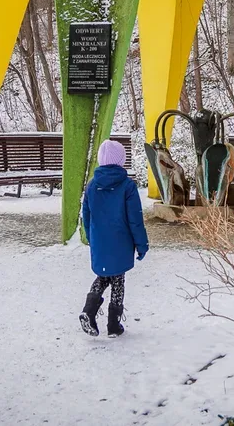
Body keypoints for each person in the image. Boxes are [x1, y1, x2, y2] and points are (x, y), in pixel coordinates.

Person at [79, 139, 149, 338]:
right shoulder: (127, 186)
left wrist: (91, 238)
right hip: (121, 241)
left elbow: (87, 216)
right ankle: (113, 324)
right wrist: (141, 244)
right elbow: (135, 219)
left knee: (103, 276)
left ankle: (89, 311)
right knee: (118, 279)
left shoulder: (92, 186)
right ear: (121, 160)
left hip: (100, 241)